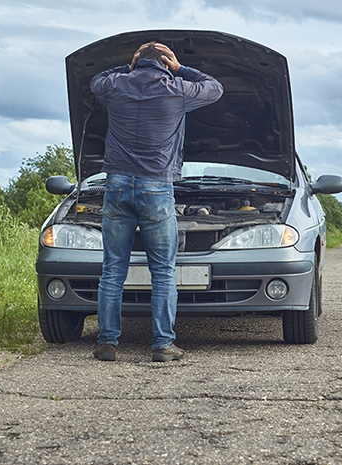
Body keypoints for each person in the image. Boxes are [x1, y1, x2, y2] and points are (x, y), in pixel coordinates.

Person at [89, 42, 223, 362]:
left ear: (137, 60)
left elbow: (96, 80)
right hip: (156, 188)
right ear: (165, 62)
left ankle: (107, 343)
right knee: (162, 271)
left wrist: (128, 66)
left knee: (112, 270)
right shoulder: (177, 88)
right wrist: (181, 69)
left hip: (117, 184)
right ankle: (162, 345)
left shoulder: (116, 84)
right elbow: (215, 88)